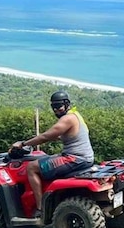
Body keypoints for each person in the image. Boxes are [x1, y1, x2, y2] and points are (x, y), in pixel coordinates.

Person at [11, 90, 95, 220]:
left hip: (75, 158)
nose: (56, 110)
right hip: (84, 158)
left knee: (32, 167)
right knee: (46, 158)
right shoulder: (76, 115)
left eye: (59, 106)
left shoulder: (67, 119)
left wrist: (23, 144)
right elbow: (67, 135)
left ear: (66, 104)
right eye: (54, 107)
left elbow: (46, 136)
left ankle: (40, 209)